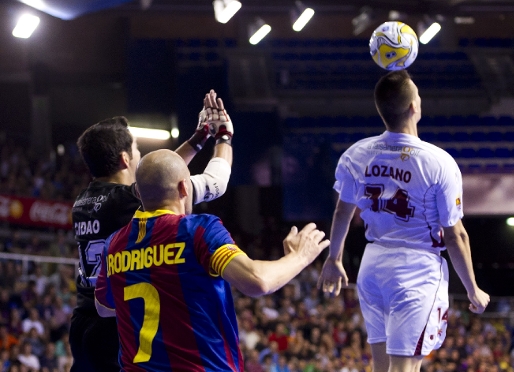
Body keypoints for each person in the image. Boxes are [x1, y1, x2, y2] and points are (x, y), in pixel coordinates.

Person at [94, 148, 329, 371]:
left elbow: (103, 307)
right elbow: (258, 281)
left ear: (138, 193)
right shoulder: (197, 230)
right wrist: (300, 256)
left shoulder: (114, 244)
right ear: (184, 187)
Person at [317, 70, 490, 372]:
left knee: (383, 368)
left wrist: (334, 257)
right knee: (404, 369)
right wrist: (472, 287)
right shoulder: (439, 162)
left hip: (372, 266)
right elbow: (455, 236)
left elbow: (343, 212)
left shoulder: (356, 154)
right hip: (415, 269)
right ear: (413, 107)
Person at [69, 90, 234, 372]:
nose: (141, 156)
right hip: (116, 326)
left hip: (83, 324)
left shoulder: (83, 201)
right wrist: (223, 138)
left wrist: (198, 137)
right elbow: (213, 181)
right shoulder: (127, 200)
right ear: (125, 159)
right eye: (137, 151)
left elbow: (160, 174)